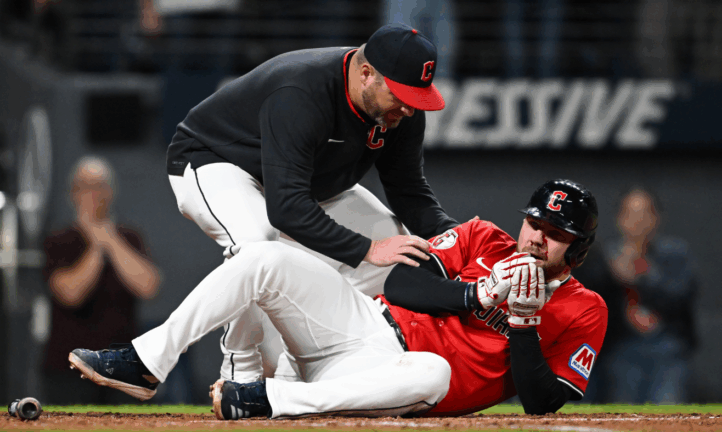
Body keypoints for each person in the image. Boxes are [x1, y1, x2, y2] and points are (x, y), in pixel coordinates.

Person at [68, 179, 607, 418]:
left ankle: (267, 399)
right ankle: (147, 360)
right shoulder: (484, 237)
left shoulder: (586, 309)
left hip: (401, 378)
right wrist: (475, 292)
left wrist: (522, 320)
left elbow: (541, 401)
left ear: (576, 250)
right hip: (361, 326)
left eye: (554, 232)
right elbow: (399, 283)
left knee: (434, 373)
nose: (536, 236)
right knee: (262, 255)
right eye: (534, 221)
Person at [163, 22, 458, 382]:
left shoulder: (399, 108)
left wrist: (460, 237)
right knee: (258, 244)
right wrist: (367, 248)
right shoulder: (303, 88)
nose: (409, 109)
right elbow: (286, 208)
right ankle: (241, 368)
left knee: (398, 245)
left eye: (416, 97)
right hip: (216, 162)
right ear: (366, 74)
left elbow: (408, 190)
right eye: (400, 95)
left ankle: (297, 369)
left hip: (302, 186)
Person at [42, 156, 161, 404]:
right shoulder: (60, 240)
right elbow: (70, 294)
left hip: (122, 368)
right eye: (85, 186)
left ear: (111, 192)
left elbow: (148, 286)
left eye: (99, 186)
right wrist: (97, 246)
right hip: (70, 369)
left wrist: (110, 239)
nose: (93, 194)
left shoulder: (129, 237)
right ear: (73, 193)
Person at [581, 188, 697, 403]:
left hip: (667, 348)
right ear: (619, 219)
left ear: (656, 218)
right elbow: (589, 305)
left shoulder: (674, 255)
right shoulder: (603, 256)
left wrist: (644, 275)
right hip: (621, 349)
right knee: (624, 410)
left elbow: (681, 298)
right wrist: (613, 276)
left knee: (668, 407)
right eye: (631, 215)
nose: (638, 222)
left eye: (644, 214)